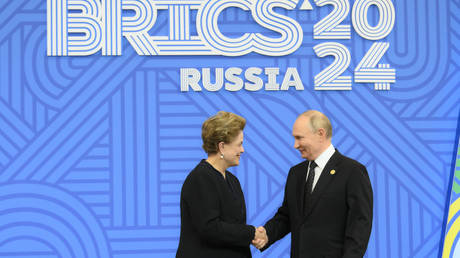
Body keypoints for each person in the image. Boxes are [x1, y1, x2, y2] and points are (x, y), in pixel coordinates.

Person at [253, 110, 373, 258]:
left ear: (320, 134)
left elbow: (360, 226)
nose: (295, 145)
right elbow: (287, 216)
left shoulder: (352, 171)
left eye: (299, 138)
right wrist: (266, 234)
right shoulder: (296, 173)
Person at [176, 111, 265, 258]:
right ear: (222, 146)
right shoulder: (200, 178)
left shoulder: (232, 180)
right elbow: (210, 228)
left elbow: (234, 229)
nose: (242, 150)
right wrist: (251, 233)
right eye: (239, 144)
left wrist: (252, 236)